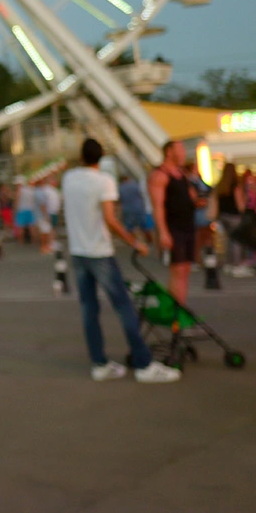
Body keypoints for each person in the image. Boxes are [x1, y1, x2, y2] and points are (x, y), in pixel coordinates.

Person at [61, 139, 181, 384]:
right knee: (123, 307)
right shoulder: (103, 181)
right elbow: (110, 219)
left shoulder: (69, 178)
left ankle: (99, 363)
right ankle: (144, 364)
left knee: (89, 309)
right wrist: (134, 242)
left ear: (82, 156)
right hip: (99, 251)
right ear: (101, 157)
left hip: (78, 250)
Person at [148, 140, 197, 305]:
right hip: (173, 228)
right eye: (180, 150)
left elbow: (190, 197)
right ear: (169, 152)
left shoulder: (182, 174)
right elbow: (157, 206)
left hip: (188, 226)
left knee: (185, 270)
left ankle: (178, 310)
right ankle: (176, 315)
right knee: (178, 270)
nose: (183, 153)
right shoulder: (160, 175)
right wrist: (163, 232)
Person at [213, 163, 253, 278]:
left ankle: (229, 263)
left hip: (222, 215)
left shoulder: (220, 185)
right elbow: (240, 203)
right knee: (237, 241)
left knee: (228, 240)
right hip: (234, 215)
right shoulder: (235, 185)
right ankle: (237, 264)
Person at [118, 175, 155, 252]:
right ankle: (150, 242)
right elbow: (143, 195)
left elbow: (119, 200)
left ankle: (134, 243)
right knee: (145, 227)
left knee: (129, 228)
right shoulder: (136, 185)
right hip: (139, 208)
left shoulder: (120, 188)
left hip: (127, 210)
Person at [14, 178, 37, 243]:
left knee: (21, 227)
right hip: (30, 210)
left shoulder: (19, 191)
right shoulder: (30, 190)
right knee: (31, 227)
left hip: (21, 210)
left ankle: (21, 241)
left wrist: (15, 210)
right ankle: (33, 241)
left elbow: (16, 201)